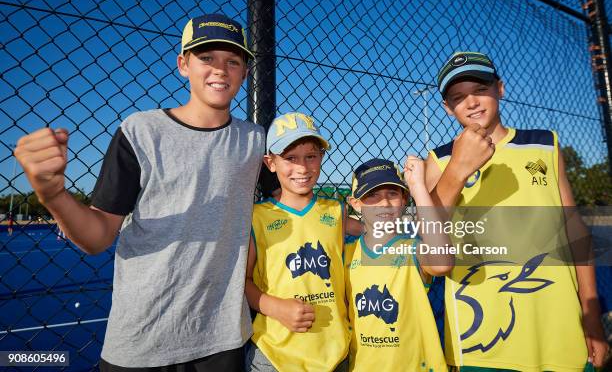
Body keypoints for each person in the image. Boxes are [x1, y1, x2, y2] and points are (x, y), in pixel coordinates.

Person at [15, 13, 265, 370]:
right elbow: (98, 236)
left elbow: (291, 197)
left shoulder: (255, 140)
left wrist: (372, 222)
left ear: (244, 72)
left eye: (233, 61)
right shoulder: (141, 132)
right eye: (206, 58)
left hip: (222, 339)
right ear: (183, 64)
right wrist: (53, 194)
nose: (220, 70)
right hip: (144, 339)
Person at [425, 51, 609, 370]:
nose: (470, 103)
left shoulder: (544, 145)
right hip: (483, 337)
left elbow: (573, 229)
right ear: (446, 107)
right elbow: (430, 256)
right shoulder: (438, 160)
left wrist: (591, 312)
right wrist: (457, 170)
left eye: (480, 90)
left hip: (559, 324)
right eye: (458, 97)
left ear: (501, 88)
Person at [245, 112, 350, 371]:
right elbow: (241, 282)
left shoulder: (337, 211)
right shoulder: (256, 217)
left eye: (311, 156)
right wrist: (276, 307)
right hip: (276, 355)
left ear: (321, 158)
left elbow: (381, 227)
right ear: (271, 163)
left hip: (335, 351)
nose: (302, 168)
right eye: (290, 158)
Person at [344, 157, 451, 371]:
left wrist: (418, 187)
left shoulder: (413, 249)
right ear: (356, 204)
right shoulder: (346, 254)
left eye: (392, 194)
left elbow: (442, 263)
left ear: (404, 200)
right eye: (372, 195)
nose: (384, 203)